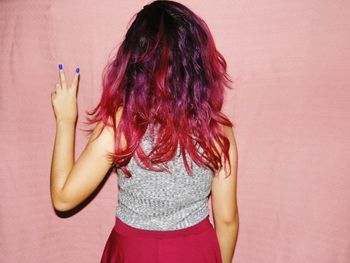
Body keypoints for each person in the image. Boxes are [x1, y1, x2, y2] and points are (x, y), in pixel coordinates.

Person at [50, 0, 239, 262]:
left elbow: (63, 198)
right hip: (196, 251)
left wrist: (65, 119)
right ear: (197, 61)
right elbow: (227, 220)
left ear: (133, 61)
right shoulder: (217, 130)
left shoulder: (121, 126)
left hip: (133, 252)